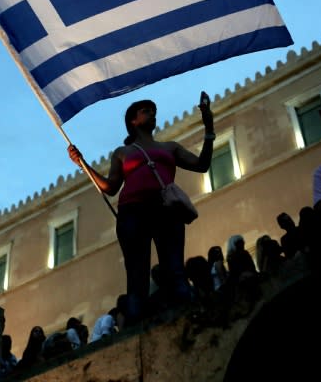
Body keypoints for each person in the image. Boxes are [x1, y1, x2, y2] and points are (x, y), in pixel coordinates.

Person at [68, 93, 214, 325]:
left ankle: (187, 319)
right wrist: (82, 163)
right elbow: (110, 187)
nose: (152, 114)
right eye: (146, 111)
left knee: (175, 269)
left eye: (153, 111)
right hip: (132, 211)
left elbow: (202, 164)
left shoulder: (170, 147)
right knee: (137, 276)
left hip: (166, 209)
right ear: (133, 121)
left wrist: (209, 128)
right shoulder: (122, 153)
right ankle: (137, 330)